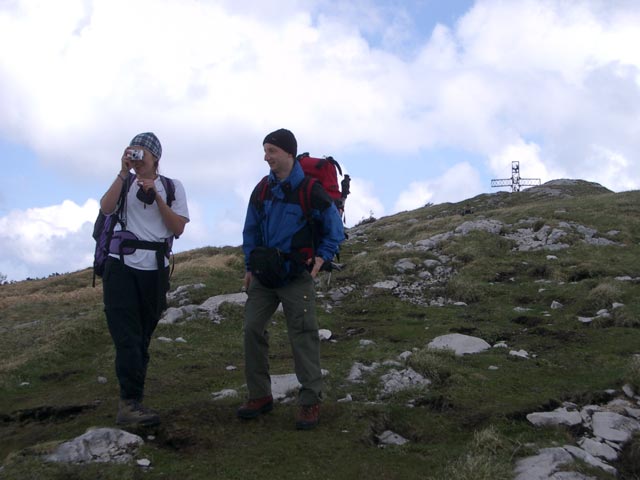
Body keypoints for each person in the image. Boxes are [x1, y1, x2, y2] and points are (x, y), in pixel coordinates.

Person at [238, 128, 345, 430]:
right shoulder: (262, 190)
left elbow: (334, 230)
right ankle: (260, 396)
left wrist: (322, 258)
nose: (266, 156)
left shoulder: (310, 190)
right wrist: (249, 267)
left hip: (297, 275)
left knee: (303, 334)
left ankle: (310, 401)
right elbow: (251, 230)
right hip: (264, 276)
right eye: (265, 150)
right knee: (251, 330)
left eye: (271, 150)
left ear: (288, 153)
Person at [100, 132, 189, 426]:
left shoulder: (173, 187)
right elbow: (105, 207)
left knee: (142, 337)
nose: (137, 158)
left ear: (155, 158)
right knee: (127, 337)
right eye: (132, 152)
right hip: (121, 267)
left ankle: (133, 398)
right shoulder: (124, 182)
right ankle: (128, 403)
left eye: (142, 154)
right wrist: (123, 172)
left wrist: (158, 197)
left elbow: (177, 228)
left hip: (155, 270)